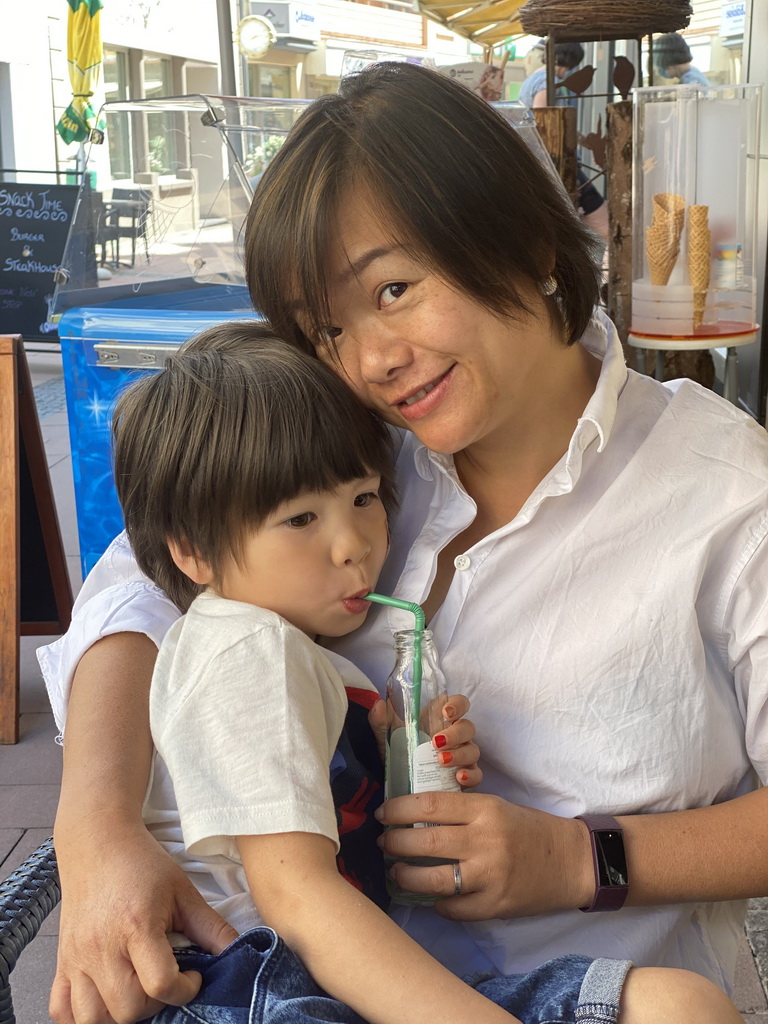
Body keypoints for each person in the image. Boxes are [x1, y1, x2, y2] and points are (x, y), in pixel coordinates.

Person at [40, 61, 768, 1023]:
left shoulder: (725, 495)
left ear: (516, 237)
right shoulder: (346, 437)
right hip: (287, 979)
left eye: (392, 290)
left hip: (589, 985)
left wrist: (585, 857)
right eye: (328, 329)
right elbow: (139, 580)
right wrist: (93, 834)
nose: (372, 360)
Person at [89, 318, 710, 1024]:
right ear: (193, 553)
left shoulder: (304, 653)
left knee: (679, 1005)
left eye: (363, 497)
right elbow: (298, 900)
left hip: (340, 975)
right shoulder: (243, 650)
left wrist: (391, 757)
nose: (353, 543)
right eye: (300, 520)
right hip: (251, 987)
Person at [517, 41, 608, 242]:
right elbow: (545, 125)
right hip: (556, 164)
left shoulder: (532, 80)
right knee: (605, 226)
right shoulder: (546, 84)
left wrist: (587, 143)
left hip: (544, 164)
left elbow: (558, 125)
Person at [518, 41, 584, 109]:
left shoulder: (534, 77)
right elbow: (540, 114)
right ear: (568, 61)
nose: (567, 71)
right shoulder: (549, 80)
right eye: (569, 67)